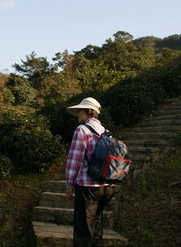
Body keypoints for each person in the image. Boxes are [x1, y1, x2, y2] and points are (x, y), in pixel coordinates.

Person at [65, 97, 115, 247]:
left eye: (80, 111)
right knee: (96, 225)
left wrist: (69, 184)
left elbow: (75, 160)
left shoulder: (82, 130)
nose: (78, 114)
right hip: (106, 187)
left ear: (88, 112)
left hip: (88, 187)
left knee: (83, 231)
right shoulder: (106, 132)